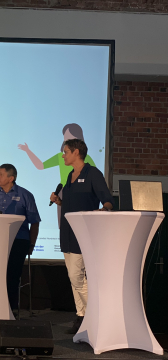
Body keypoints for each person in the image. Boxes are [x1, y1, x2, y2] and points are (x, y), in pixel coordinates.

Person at [50, 139, 114, 334]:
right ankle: (81, 317)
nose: (63, 156)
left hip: (83, 233)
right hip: (67, 232)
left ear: (76, 152)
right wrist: (59, 201)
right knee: (73, 277)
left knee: (75, 276)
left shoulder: (92, 173)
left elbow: (108, 200)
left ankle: (98, 313)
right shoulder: (70, 176)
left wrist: (103, 210)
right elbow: (72, 204)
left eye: (65, 152)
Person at [0, 164, 41, 312]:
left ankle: (11, 308)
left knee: (12, 275)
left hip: (18, 240)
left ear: (11, 178)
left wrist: (32, 244)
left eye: (1, 174)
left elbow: (34, 222)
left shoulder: (26, 195)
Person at [18, 123, 96, 186]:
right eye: (65, 140)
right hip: (65, 193)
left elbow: (96, 180)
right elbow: (40, 166)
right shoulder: (60, 157)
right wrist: (27, 150)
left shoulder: (88, 160)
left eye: (70, 139)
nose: (67, 143)